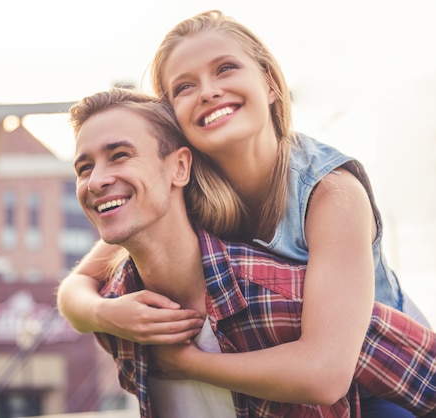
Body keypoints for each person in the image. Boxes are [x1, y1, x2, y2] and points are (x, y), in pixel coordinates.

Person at [57, 9, 431, 415]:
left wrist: (188, 364)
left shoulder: (330, 192)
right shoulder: (183, 186)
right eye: (184, 87)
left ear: (270, 83)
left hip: (380, 367)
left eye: (225, 69)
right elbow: (75, 290)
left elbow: (326, 373)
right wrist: (107, 313)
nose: (208, 91)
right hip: (280, 358)